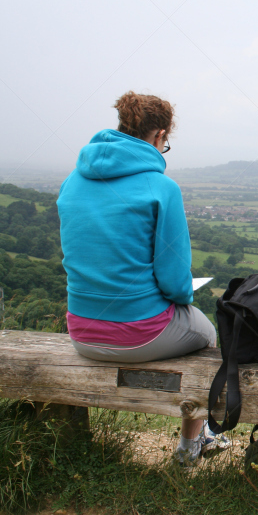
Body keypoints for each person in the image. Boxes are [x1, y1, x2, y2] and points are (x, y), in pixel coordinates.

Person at [57, 91, 228, 465]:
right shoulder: (161, 188)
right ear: (159, 135)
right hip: (139, 332)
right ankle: (191, 445)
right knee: (209, 336)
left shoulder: (73, 181)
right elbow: (176, 284)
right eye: (166, 143)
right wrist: (181, 296)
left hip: (81, 332)